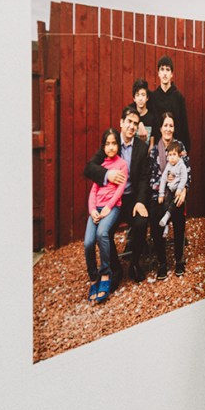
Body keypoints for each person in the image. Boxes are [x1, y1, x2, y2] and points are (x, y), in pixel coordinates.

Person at [83, 105, 151, 285]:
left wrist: (140, 201)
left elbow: (144, 178)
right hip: (112, 201)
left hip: (131, 198)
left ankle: (134, 263)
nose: (132, 126)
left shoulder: (141, 148)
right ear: (121, 122)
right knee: (105, 232)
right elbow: (89, 168)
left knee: (141, 222)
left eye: (135, 123)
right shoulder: (111, 143)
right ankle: (115, 268)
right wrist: (107, 174)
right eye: (129, 121)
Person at [83, 128, 128, 304]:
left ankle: (105, 274)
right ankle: (93, 276)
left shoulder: (122, 164)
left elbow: (120, 190)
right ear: (103, 146)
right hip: (96, 208)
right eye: (107, 144)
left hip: (112, 207)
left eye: (114, 143)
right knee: (88, 242)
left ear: (118, 145)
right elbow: (93, 190)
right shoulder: (101, 165)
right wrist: (92, 210)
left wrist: (108, 207)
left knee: (102, 233)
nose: (111, 147)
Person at [148, 112, 192, 281]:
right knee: (156, 218)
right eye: (165, 125)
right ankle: (162, 262)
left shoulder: (179, 147)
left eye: (171, 126)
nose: (168, 129)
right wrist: (164, 184)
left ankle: (179, 259)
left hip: (177, 192)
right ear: (160, 128)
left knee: (179, 216)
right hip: (159, 194)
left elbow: (187, 171)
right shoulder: (154, 150)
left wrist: (184, 189)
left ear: (174, 128)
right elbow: (152, 177)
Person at [150, 56, 191, 153]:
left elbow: (184, 125)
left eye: (168, 69)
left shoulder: (178, 97)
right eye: (162, 69)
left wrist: (185, 148)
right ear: (158, 73)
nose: (165, 73)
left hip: (175, 149)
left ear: (172, 74)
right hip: (158, 149)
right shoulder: (153, 97)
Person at [157, 140, 188, 228]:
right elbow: (163, 179)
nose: (172, 157)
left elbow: (184, 178)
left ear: (179, 155)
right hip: (170, 190)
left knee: (175, 203)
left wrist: (180, 189)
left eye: (174, 154)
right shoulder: (168, 165)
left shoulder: (181, 166)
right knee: (165, 204)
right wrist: (161, 194)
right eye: (170, 155)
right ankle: (166, 224)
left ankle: (167, 216)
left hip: (178, 190)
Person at [128, 78, 158, 149]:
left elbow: (152, 143)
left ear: (147, 98)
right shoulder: (130, 116)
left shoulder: (152, 117)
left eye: (143, 95)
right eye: (137, 95)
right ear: (134, 98)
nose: (140, 98)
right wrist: (139, 123)